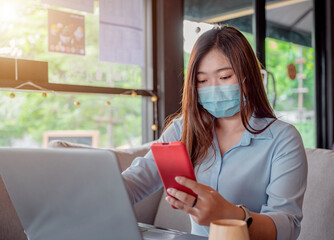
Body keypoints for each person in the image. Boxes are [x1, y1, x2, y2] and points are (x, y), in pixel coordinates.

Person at [122, 25, 307, 240]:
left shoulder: (283, 139)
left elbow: (287, 227)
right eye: (202, 81)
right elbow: (137, 180)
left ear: (249, 77)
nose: (214, 88)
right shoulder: (183, 130)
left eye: (225, 77)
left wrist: (231, 215)